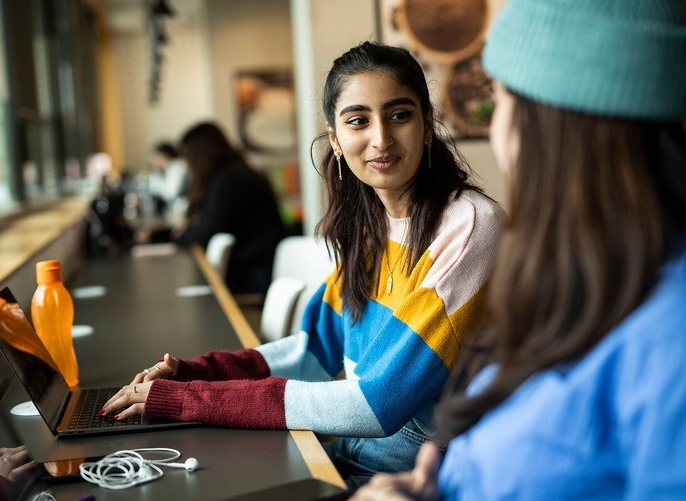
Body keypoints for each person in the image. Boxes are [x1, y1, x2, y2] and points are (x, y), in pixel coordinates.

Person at [101, 42, 503, 487]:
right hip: (364, 454)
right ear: (335, 138)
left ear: (427, 125)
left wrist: (196, 400)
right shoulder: (372, 226)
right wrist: (196, 372)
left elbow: (377, 404)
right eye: (358, 121)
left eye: (400, 115)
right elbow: (312, 353)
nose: (381, 138)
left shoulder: (470, 226)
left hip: (432, 471)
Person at [351, 0, 686, 499]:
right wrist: (434, 479)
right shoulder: (567, 273)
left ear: (544, 127)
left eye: (501, 98)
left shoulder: (669, 334)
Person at [174, 122, 286, 294]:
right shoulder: (233, 174)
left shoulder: (230, 180)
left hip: (255, 272)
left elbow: (209, 231)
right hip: (255, 266)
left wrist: (179, 238)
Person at [148, 142, 189, 217]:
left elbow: (170, 193)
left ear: (164, 155)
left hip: (183, 208)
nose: (153, 160)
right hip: (176, 209)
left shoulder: (177, 166)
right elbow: (153, 191)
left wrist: (156, 173)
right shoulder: (166, 169)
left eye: (155, 156)